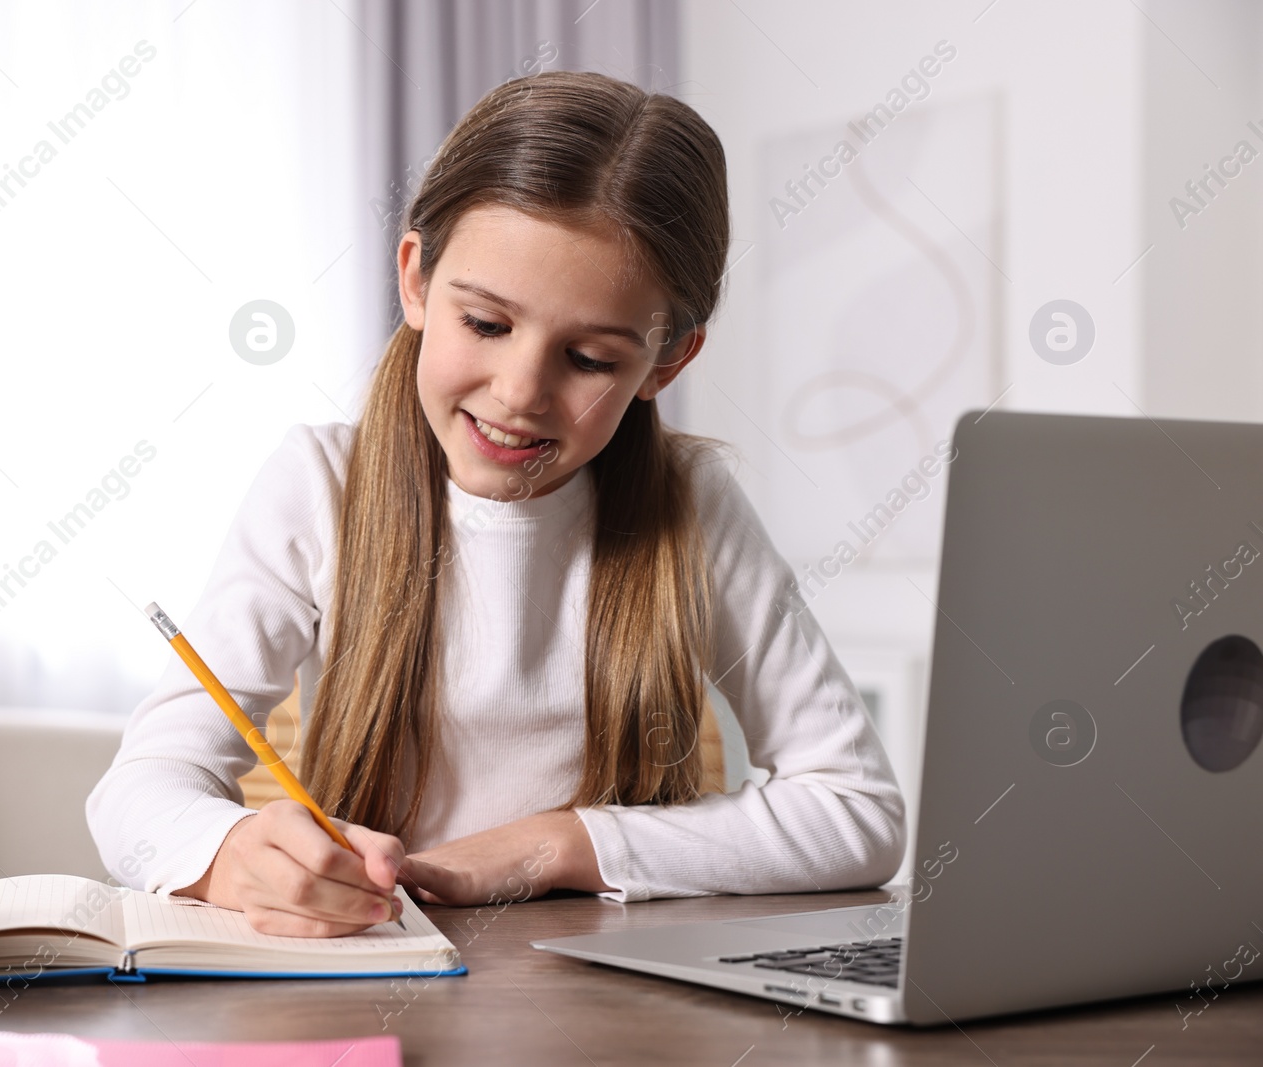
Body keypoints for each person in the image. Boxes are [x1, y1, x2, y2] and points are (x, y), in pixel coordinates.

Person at [87, 70, 905, 937]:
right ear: (415, 281)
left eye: (590, 359)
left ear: (665, 363)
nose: (519, 394)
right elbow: (137, 793)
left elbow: (858, 810)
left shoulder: (691, 506)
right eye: (485, 323)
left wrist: (557, 843)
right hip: (375, 975)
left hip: (609, 999)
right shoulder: (321, 483)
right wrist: (231, 849)